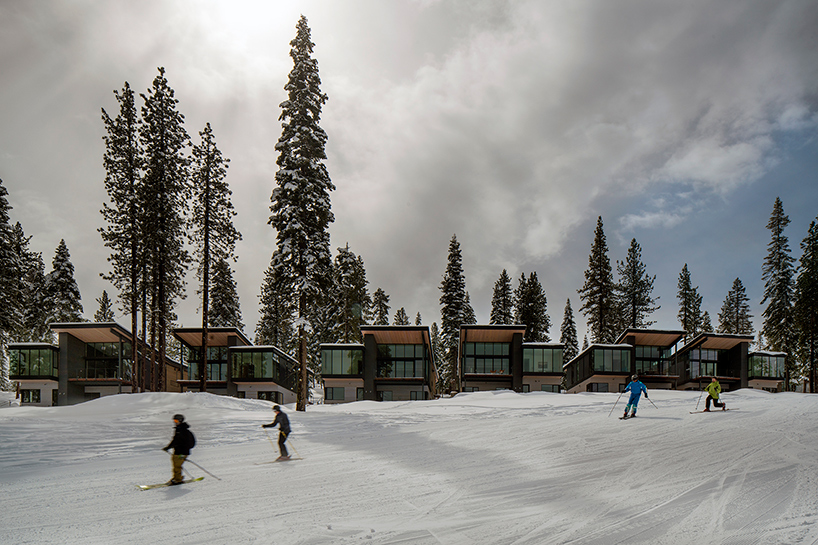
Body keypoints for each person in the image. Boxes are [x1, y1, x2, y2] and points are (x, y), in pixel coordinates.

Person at [162, 414, 195, 485]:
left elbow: (188, 443)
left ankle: (178, 480)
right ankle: (177, 477)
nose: (175, 422)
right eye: (174, 420)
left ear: (180, 420)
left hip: (182, 452)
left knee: (177, 466)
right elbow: (175, 440)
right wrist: (168, 447)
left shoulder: (184, 431)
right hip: (177, 451)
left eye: (176, 420)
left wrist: (183, 451)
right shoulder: (178, 430)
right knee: (175, 465)